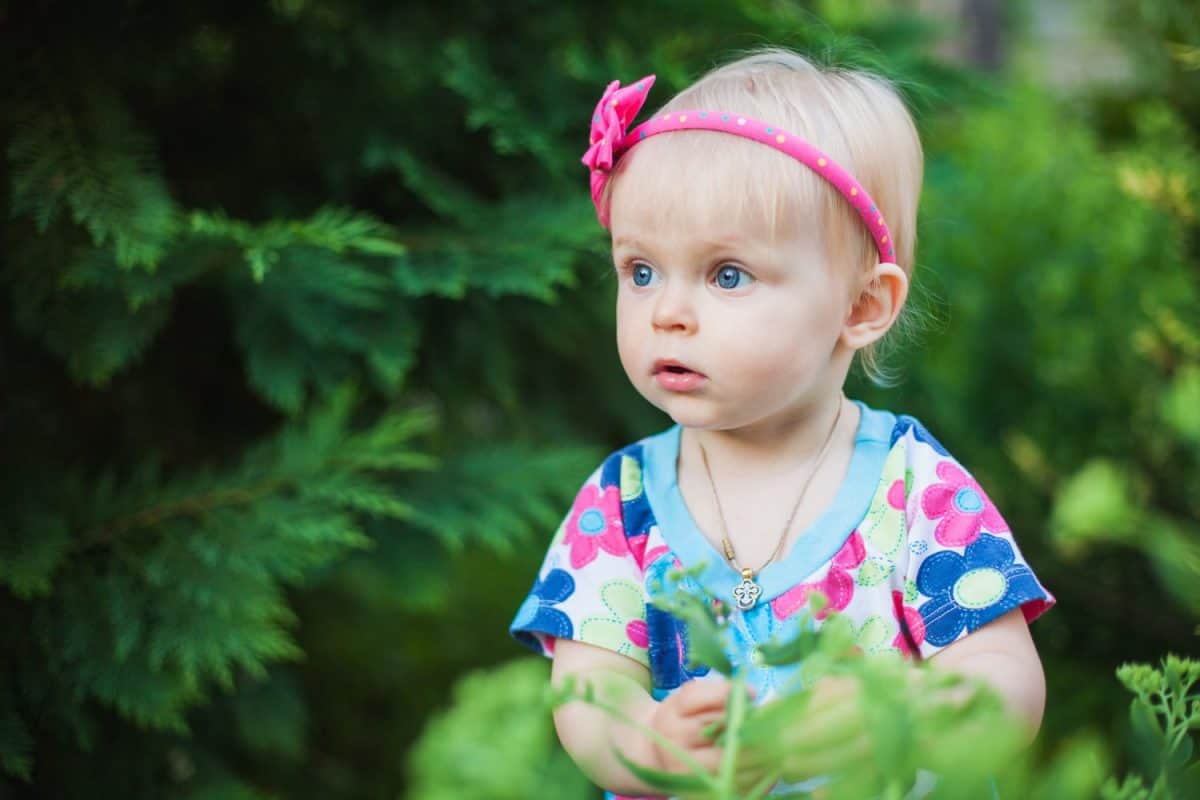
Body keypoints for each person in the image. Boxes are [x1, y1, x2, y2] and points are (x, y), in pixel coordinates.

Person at [509, 48, 1054, 799]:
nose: (666, 312)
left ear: (861, 307)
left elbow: (1006, 685)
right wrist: (644, 741)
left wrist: (901, 714)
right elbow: (589, 688)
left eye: (727, 274)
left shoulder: (914, 490)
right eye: (640, 271)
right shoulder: (622, 501)